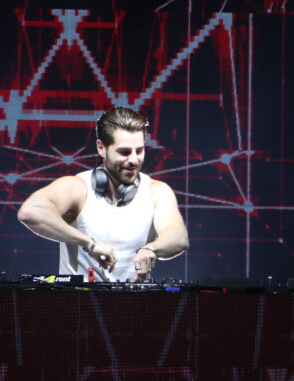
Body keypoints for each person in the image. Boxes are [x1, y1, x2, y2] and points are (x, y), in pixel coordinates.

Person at [17, 107, 188, 282]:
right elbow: (30, 212)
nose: (134, 160)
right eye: (124, 152)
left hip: (134, 298)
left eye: (139, 150)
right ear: (101, 148)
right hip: (78, 298)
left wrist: (151, 249)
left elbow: (178, 237)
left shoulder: (156, 191)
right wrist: (89, 244)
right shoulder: (78, 188)